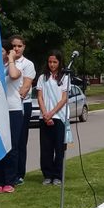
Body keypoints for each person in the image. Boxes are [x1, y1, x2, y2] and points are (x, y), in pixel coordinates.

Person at [0, 40, 22, 193]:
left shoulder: (15, 66)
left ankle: (10, 181)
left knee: (12, 147)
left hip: (13, 109)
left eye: (2, 51)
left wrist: (11, 59)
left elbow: (14, 75)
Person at [36, 50, 69, 186]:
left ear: (60, 63)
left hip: (59, 117)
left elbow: (63, 99)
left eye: (55, 62)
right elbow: (40, 96)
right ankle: (47, 175)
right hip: (44, 117)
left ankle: (57, 175)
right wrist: (45, 114)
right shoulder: (43, 77)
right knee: (46, 148)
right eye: (50, 62)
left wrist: (52, 113)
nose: (52, 64)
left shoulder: (64, 78)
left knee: (59, 148)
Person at [8, 35, 36, 186]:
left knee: (19, 141)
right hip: (7, 106)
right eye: (13, 46)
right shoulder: (6, 61)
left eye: (19, 46)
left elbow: (25, 87)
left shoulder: (27, 64)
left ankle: (19, 173)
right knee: (9, 141)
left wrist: (14, 97)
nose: (16, 49)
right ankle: (7, 173)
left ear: (24, 47)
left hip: (22, 104)